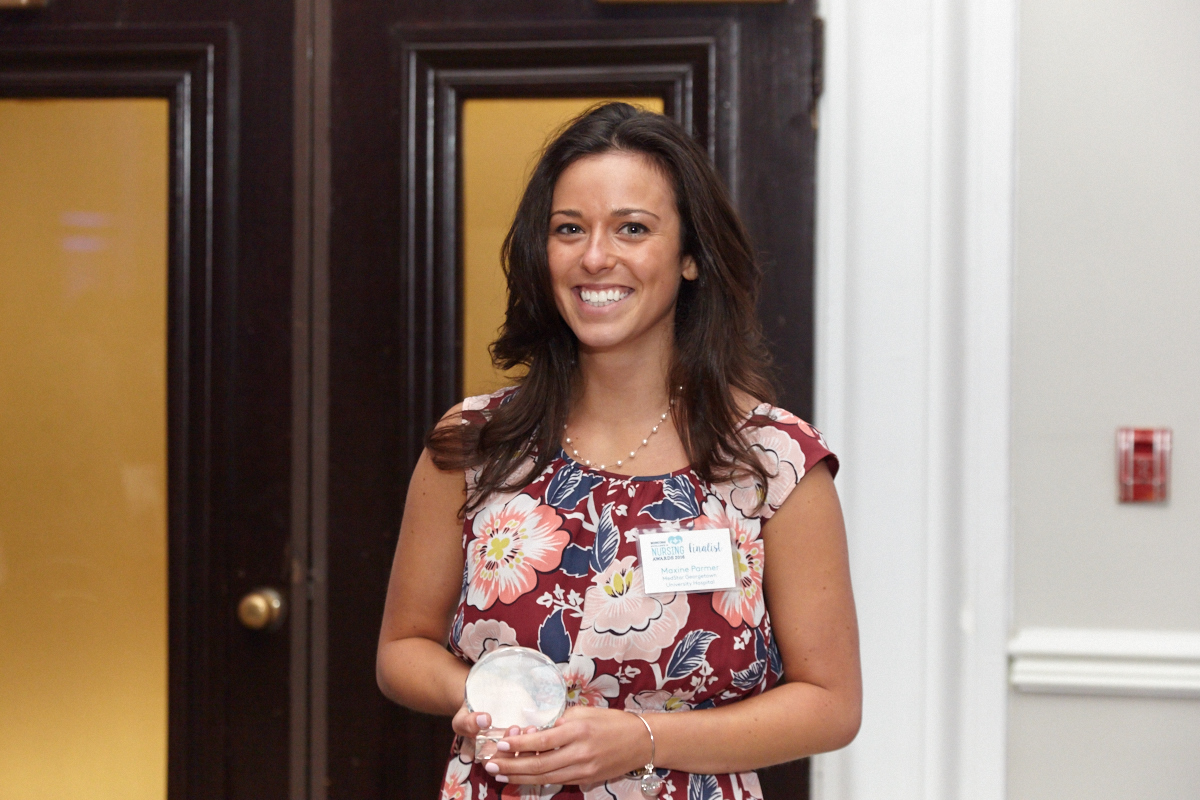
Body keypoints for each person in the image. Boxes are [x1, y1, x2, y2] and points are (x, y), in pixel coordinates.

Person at [376, 102, 860, 799]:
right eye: (569, 229)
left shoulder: (774, 463)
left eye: (632, 228)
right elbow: (401, 650)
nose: (595, 256)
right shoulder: (474, 445)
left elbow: (831, 704)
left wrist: (639, 740)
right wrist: (500, 698)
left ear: (691, 256)